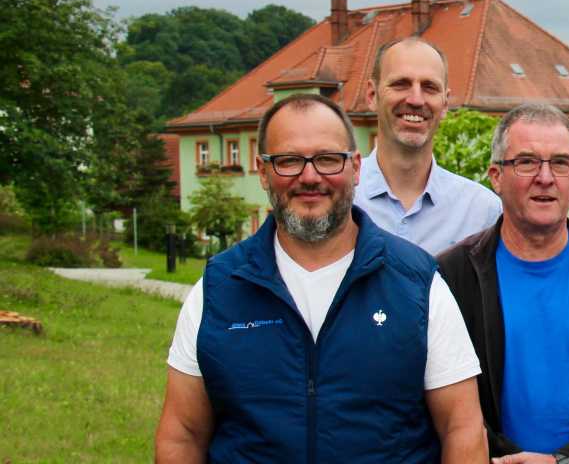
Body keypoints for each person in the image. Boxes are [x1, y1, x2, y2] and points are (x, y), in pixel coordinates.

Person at [155, 94, 487, 462]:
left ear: (356, 168)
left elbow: (462, 428)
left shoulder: (418, 285)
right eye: (289, 161)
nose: (310, 177)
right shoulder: (219, 290)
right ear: (263, 171)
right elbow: (182, 434)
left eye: (328, 159)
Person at [436, 103, 569, 463]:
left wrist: (568, 460)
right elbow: (446, 401)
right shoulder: (453, 277)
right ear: (496, 176)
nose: (545, 177)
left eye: (560, 163)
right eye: (526, 162)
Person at [355, 37, 502, 255]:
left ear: (445, 102)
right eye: (401, 84)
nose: (416, 100)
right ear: (372, 95)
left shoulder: (482, 211)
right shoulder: (342, 198)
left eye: (429, 87)